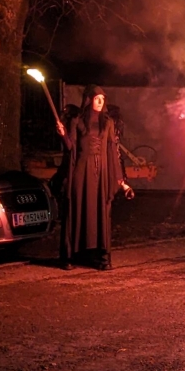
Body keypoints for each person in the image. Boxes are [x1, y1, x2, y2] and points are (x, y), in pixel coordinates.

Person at [56, 85, 133, 270]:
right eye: (97, 98)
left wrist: (120, 180)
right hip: (81, 171)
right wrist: (63, 134)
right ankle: (70, 256)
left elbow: (112, 151)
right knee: (77, 210)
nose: (100, 101)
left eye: (102, 99)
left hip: (102, 172)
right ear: (89, 99)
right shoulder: (77, 120)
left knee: (101, 212)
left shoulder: (107, 122)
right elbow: (71, 148)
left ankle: (101, 256)